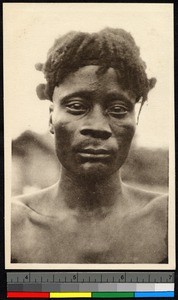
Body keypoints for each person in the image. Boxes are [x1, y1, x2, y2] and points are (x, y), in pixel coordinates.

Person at [11, 28, 168, 264]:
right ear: (51, 118)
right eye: (76, 106)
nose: (98, 127)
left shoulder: (167, 220)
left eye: (118, 110)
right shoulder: (13, 224)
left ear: (134, 120)